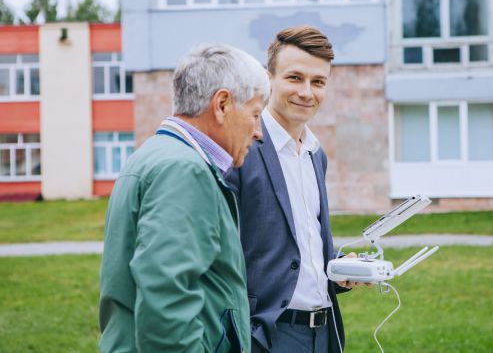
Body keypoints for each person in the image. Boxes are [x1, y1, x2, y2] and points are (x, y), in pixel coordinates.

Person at [99, 43, 270, 352]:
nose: (259, 131)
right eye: (255, 114)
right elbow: (167, 298)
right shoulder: (183, 170)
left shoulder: (159, 155)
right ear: (222, 105)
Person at [227, 26, 360, 353]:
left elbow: (305, 247)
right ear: (268, 77)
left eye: (318, 82)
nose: (307, 92)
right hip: (267, 335)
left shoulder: (317, 154)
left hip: (324, 333)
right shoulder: (242, 149)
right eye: (294, 78)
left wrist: (340, 269)